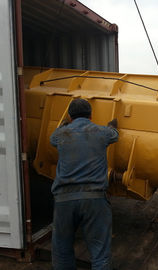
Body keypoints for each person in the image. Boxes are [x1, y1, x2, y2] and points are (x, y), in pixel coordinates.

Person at [50, 98, 119, 270]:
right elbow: (115, 135)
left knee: (62, 251)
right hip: (94, 199)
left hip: (64, 200)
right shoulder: (102, 132)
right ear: (91, 115)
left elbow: (52, 139)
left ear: (70, 116)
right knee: (100, 253)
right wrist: (112, 125)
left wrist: (64, 125)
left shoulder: (60, 134)